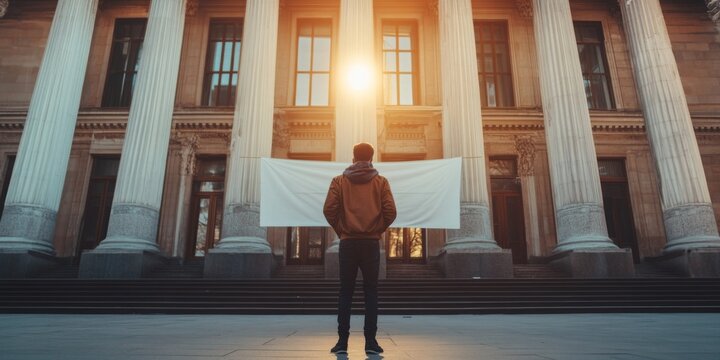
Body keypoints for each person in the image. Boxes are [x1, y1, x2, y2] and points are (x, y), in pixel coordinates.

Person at [323, 142, 397, 355]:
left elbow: (329, 210)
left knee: (345, 292)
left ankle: (342, 343)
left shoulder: (339, 181)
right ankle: (371, 343)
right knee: (371, 292)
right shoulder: (381, 182)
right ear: (371, 159)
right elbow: (391, 212)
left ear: (353, 159)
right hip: (370, 244)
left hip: (348, 243)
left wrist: (343, 230)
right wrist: (376, 230)